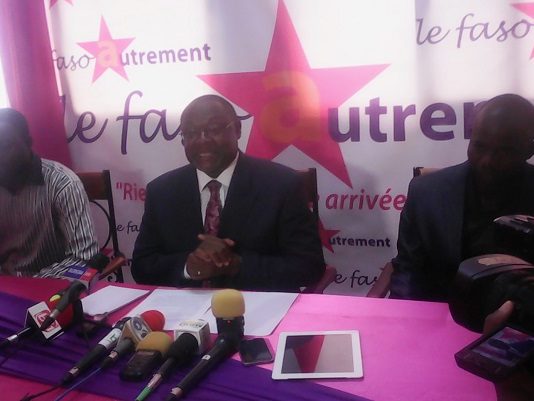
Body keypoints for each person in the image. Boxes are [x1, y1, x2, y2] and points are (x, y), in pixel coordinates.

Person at [131, 94, 325, 291]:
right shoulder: (161, 191)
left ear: (237, 130)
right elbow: (141, 267)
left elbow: (309, 266)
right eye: (191, 133)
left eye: (214, 130)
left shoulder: (282, 185)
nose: (202, 141)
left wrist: (235, 265)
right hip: (184, 309)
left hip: (259, 304)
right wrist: (188, 267)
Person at [390, 94, 534, 301]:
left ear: (529, 150)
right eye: (479, 146)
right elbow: (409, 271)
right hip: (440, 312)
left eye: (504, 151)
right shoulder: (426, 193)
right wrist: (406, 317)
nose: (487, 161)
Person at [0, 108, 99, 277]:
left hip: (51, 283)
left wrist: (33, 282)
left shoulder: (63, 183)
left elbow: (84, 256)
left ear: (28, 143)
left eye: (5, 146)